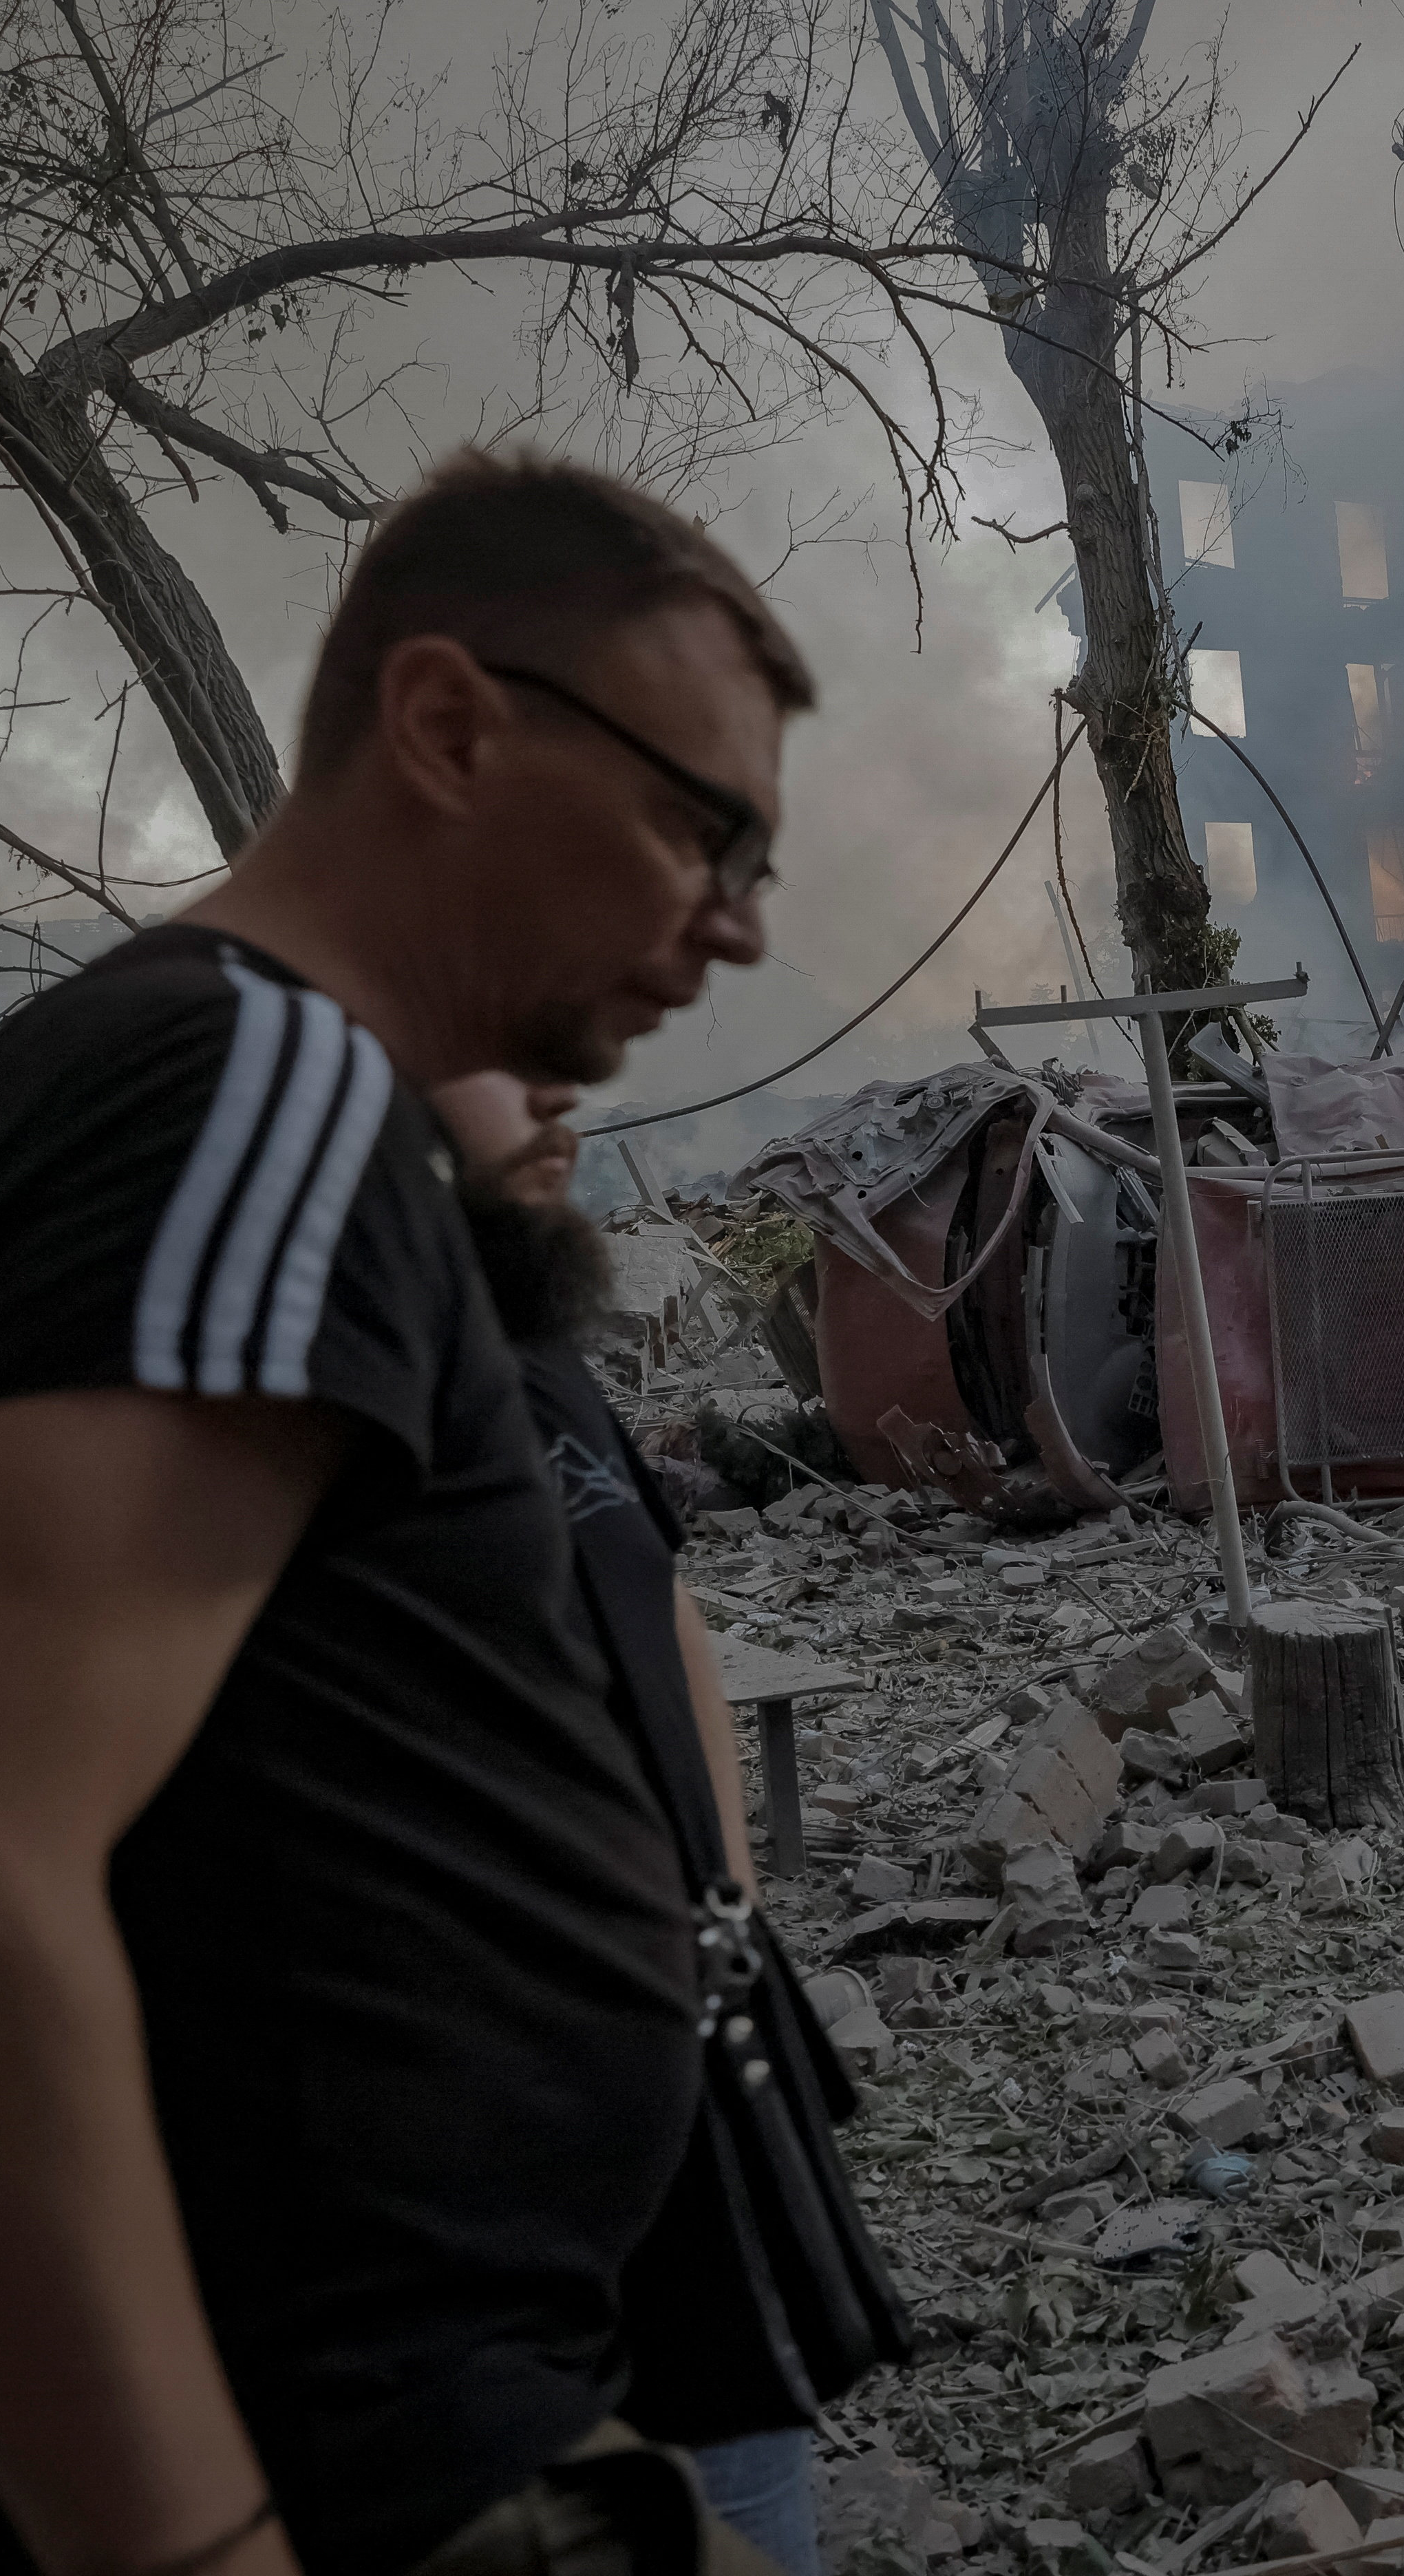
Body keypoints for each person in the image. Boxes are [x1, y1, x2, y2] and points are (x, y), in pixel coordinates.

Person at [0, 451, 825, 2576]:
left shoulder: (251, 1113)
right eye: (695, 824)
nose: (733, 922)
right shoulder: (245, 1092)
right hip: (375, 2482)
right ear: (446, 726)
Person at [426, 1068, 894, 2576]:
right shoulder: (315, 1378)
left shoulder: (529, 1348)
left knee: (748, 2487)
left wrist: (730, 1918)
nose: (568, 1074)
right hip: (496, 2136)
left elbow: (662, 1602)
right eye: (501, 1040)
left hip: (683, 2109)